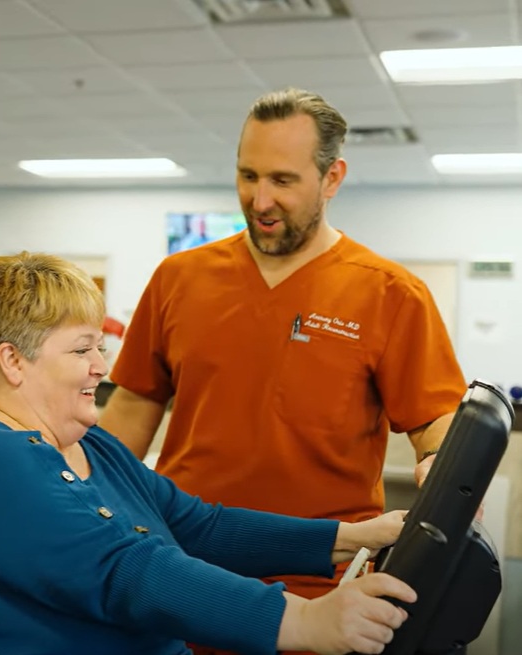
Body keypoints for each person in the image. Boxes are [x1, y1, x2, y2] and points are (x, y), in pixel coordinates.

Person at [0, 252, 417, 655]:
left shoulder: (92, 446)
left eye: (100, 347)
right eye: (81, 350)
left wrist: (353, 537)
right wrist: (307, 622)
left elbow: (198, 527)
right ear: (13, 361)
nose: (102, 367)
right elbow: (126, 571)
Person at [98, 88, 467, 651]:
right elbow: (133, 406)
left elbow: (435, 423)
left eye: (283, 180)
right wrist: (73, 486)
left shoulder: (390, 293)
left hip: (325, 580)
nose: (260, 199)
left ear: (332, 178)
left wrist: (446, 471)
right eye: (248, 176)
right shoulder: (180, 277)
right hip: (187, 569)